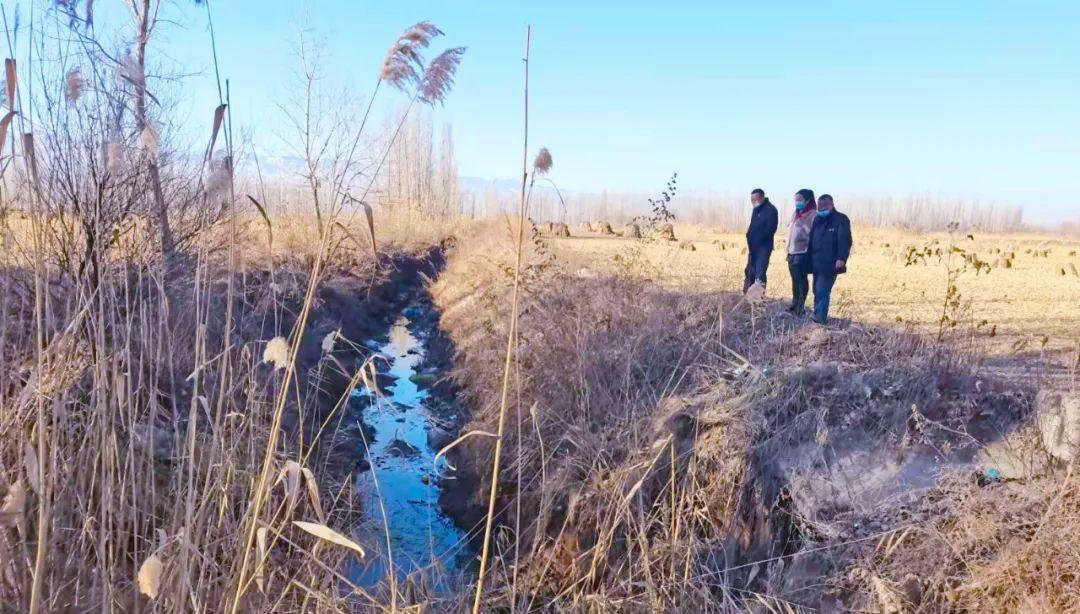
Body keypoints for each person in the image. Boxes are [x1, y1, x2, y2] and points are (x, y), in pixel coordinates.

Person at [806, 194, 852, 324]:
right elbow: (811, 240)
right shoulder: (817, 220)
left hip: (830, 262)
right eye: (819, 207)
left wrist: (841, 258)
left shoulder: (840, 220)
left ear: (831, 205)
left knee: (822, 289)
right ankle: (817, 313)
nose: (821, 209)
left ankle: (820, 318)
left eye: (824, 207)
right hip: (816, 261)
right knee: (816, 289)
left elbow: (845, 241)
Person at [785, 189, 816, 315]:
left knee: (801, 279)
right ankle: (795, 301)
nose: (797, 202)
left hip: (803, 252)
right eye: (796, 200)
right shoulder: (796, 213)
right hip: (791, 251)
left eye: (800, 200)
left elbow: (813, 234)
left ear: (808, 200)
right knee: (794, 278)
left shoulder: (813, 214)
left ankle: (800, 306)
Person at [743, 188, 778, 293]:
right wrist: (748, 236)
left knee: (759, 274)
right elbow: (752, 227)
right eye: (752, 200)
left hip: (763, 249)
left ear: (762, 198)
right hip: (753, 249)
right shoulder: (755, 210)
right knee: (749, 272)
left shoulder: (771, 210)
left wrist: (758, 241)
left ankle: (758, 300)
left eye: (755, 200)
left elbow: (770, 229)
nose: (753, 202)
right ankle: (747, 297)